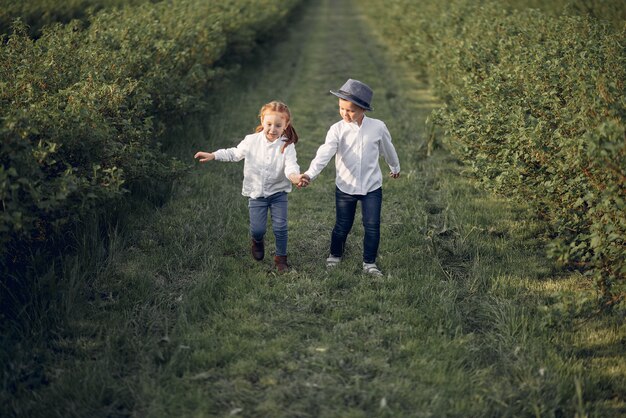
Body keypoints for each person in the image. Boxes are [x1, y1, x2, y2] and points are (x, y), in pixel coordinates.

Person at [299, 79, 400, 276]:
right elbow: (324, 154)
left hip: (372, 187)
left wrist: (394, 166)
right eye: (341, 108)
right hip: (346, 187)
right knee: (342, 224)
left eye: (350, 110)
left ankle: (369, 263)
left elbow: (388, 149)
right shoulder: (337, 129)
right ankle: (335, 254)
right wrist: (310, 174)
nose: (345, 113)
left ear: (363, 109)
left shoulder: (378, 127)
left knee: (372, 226)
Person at [194, 101, 305, 272]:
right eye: (269, 124)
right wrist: (214, 155)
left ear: (286, 125)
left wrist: (295, 177)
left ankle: (281, 259)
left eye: (278, 125)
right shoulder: (251, 141)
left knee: (280, 227)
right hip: (256, 194)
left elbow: (291, 166)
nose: (272, 129)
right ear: (262, 121)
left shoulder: (286, 145)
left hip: (278, 193)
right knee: (257, 229)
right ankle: (257, 241)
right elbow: (234, 153)